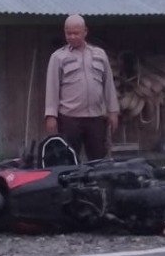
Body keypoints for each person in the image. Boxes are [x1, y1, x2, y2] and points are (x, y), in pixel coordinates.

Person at [43, 14, 119, 161]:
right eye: (68, 33)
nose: (72, 37)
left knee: (98, 160)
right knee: (69, 160)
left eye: (76, 33)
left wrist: (113, 111)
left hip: (96, 118)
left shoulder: (100, 54)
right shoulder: (58, 57)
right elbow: (52, 88)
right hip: (69, 119)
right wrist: (51, 116)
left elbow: (108, 84)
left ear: (85, 32)